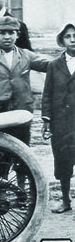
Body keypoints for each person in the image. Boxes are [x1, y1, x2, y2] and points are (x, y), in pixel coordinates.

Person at [0, 16, 48, 145]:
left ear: (17, 35)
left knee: (22, 148)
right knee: (0, 150)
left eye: (11, 32)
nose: (7, 37)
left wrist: (68, 57)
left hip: (21, 111)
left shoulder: (26, 55)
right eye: (2, 32)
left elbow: (48, 65)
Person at [41, 22, 75, 213]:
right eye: (68, 36)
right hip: (61, 124)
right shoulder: (54, 66)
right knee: (63, 162)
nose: (73, 40)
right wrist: (47, 120)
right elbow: (47, 94)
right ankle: (65, 200)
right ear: (62, 40)